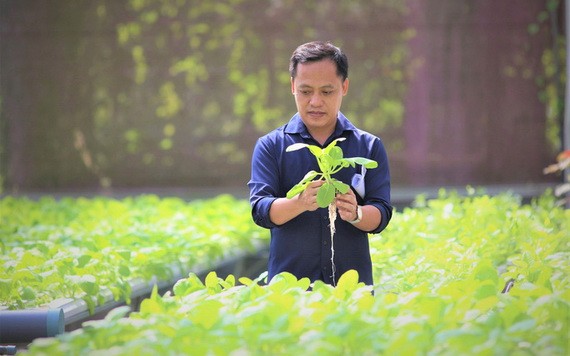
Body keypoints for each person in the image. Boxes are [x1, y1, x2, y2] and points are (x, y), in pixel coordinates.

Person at [248, 41, 392, 286]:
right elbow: (261, 210)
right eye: (305, 91)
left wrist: (356, 213)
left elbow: (382, 213)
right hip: (289, 291)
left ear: (344, 87)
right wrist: (299, 202)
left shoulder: (368, 147)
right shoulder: (271, 146)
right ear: (293, 86)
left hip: (351, 290)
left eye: (326, 92)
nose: (315, 102)